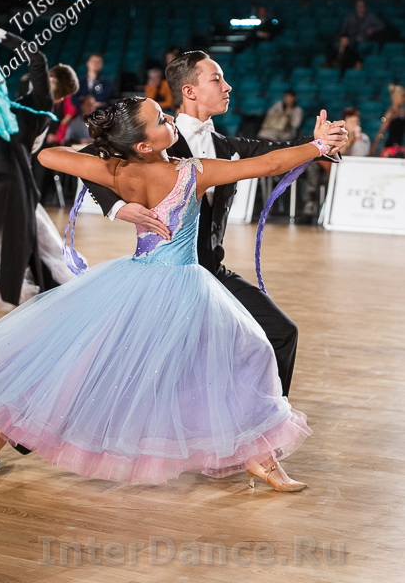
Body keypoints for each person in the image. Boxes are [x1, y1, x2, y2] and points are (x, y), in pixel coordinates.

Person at [0, 96, 338, 489]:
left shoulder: (116, 171)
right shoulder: (193, 172)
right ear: (145, 144)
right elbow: (267, 166)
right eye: (162, 120)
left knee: (91, 367)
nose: (170, 119)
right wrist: (318, 146)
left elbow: (49, 155)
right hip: (182, 285)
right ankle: (259, 458)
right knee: (248, 352)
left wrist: (117, 197)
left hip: (133, 282)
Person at [82, 51, 348, 397]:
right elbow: (90, 155)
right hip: (165, 279)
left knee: (281, 332)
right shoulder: (158, 138)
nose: (228, 87)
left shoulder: (227, 146)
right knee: (138, 359)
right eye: (217, 79)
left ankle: (267, 420)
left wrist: (322, 143)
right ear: (189, 91)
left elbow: (278, 153)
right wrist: (118, 206)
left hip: (212, 271)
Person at [0, 14, 79, 330]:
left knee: (19, 253)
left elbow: (36, 59)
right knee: (37, 250)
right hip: (7, 182)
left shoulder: (40, 103)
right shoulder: (27, 105)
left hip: (7, 183)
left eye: (46, 76)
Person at [371, 85, 405, 156]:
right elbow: (382, 131)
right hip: (390, 147)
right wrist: (374, 147)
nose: (404, 98)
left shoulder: (403, 112)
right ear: (396, 97)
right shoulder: (390, 113)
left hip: (400, 147)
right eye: (403, 96)